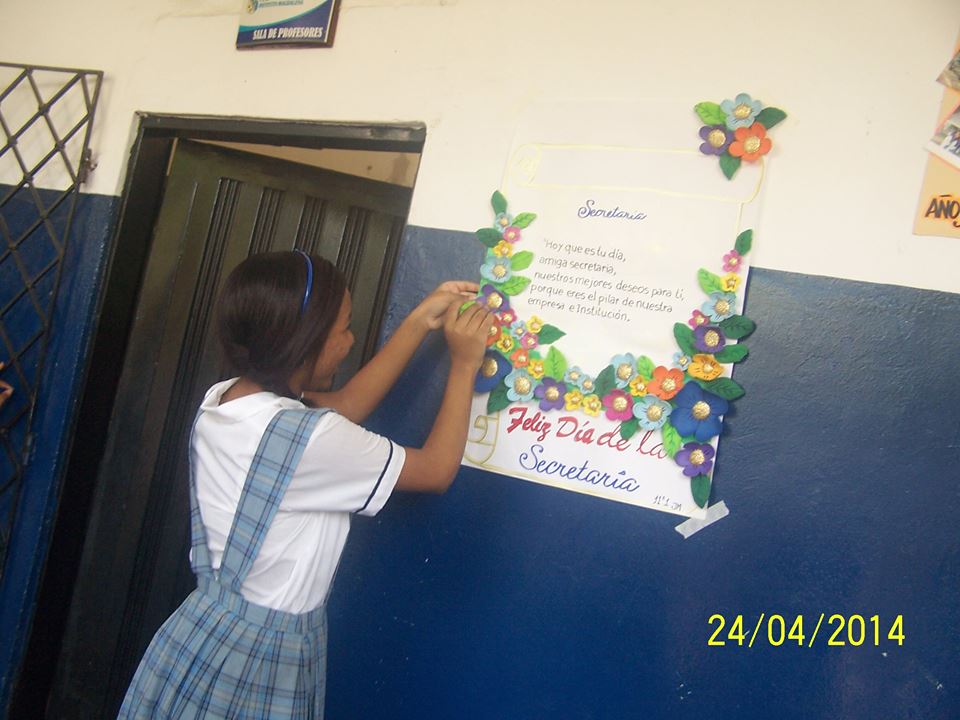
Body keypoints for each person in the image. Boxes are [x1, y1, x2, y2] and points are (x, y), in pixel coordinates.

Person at [118, 250, 492, 719]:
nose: (351, 341)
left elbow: (346, 405)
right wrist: (464, 364)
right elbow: (436, 470)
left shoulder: (226, 399)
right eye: (344, 329)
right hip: (262, 654)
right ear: (304, 340)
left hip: (204, 631)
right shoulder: (312, 439)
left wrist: (419, 321)